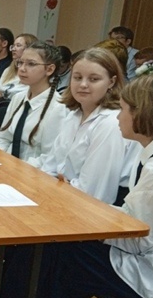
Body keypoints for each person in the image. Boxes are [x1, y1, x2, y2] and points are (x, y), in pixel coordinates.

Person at [0, 73, 153, 298]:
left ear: (143, 114)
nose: (119, 116)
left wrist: (88, 223)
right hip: (140, 251)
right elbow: (133, 218)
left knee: (55, 256)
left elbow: (140, 240)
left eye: (124, 109)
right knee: (52, 255)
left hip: (150, 273)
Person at [39, 47, 128, 204]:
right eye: (77, 77)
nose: (83, 85)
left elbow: (94, 193)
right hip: (61, 197)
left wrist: (59, 187)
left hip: (88, 210)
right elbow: (49, 167)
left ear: (111, 82)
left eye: (94, 79)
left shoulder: (110, 123)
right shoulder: (73, 115)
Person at [0, 42, 67, 167]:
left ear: (49, 69)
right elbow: (4, 139)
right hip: (6, 166)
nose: (22, 69)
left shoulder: (58, 107)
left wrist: (16, 168)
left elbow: (48, 157)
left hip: (31, 173)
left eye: (31, 64)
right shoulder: (18, 98)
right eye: (20, 62)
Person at [0, 33, 37, 104]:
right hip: (1, 106)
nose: (13, 49)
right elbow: (0, 95)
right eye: (13, 46)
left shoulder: (33, 73)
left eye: (18, 45)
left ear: (29, 49)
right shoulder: (8, 70)